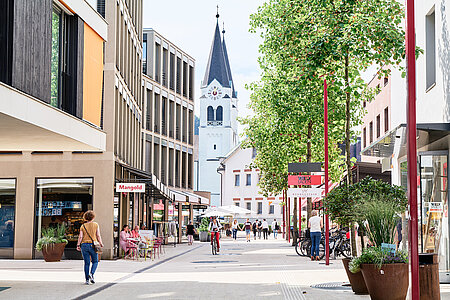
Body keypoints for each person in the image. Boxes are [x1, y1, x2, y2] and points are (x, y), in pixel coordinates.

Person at [76, 210, 103, 285]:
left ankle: (87, 280)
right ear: (93, 217)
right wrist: (100, 243)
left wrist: (78, 245)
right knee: (95, 261)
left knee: (86, 263)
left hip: (84, 245)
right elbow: (98, 235)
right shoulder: (96, 225)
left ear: (85, 217)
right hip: (93, 245)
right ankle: (92, 273)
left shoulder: (83, 226)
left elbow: (80, 236)